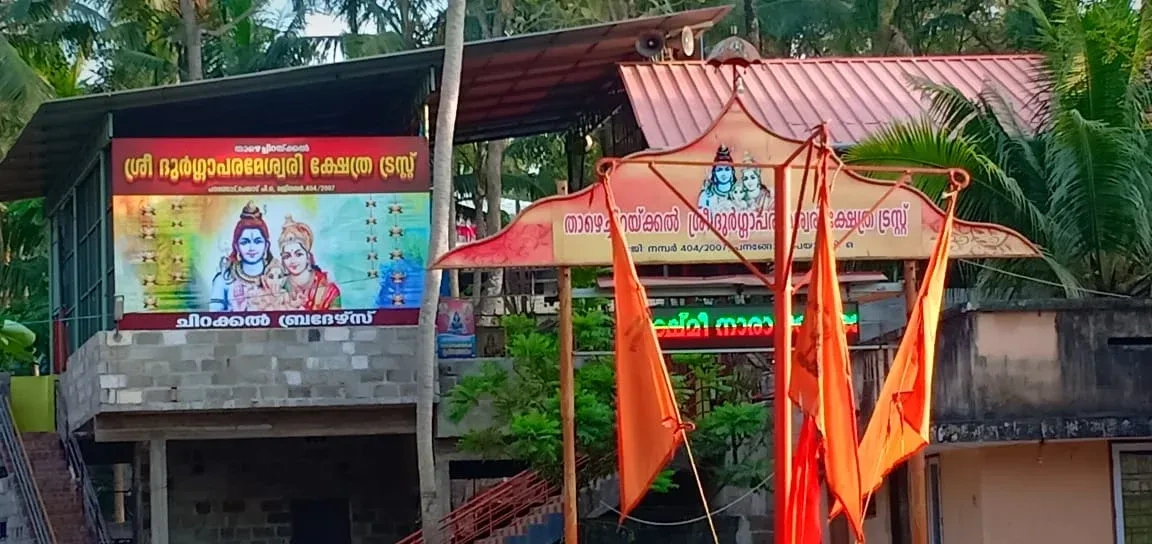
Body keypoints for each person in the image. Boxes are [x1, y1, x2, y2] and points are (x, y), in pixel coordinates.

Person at [209, 202, 272, 311]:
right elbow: (213, 316)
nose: (252, 248)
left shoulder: (277, 276)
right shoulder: (224, 280)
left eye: (257, 242)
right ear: (236, 246)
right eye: (245, 242)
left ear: (266, 246)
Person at [279, 215, 342, 310]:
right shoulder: (278, 288)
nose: (293, 261)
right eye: (287, 256)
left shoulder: (329, 291)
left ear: (308, 257)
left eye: (298, 254)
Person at [698, 145, 738, 213]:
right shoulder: (706, 195)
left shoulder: (739, 192)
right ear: (714, 173)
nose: (723, 173)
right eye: (719, 170)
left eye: (727, 169)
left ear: (732, 172)